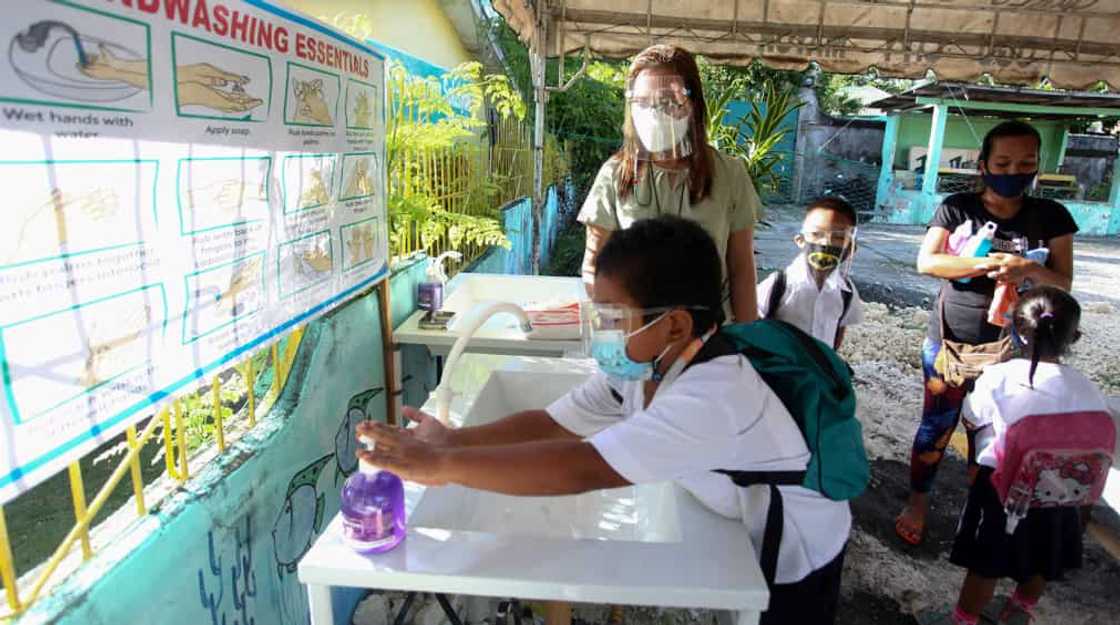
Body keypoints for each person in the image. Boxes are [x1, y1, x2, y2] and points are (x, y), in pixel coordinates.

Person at [360, 216, 850, 625]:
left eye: (614, 318)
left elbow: (580, 468)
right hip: (737, 525)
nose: (602, 333)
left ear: (675, 324)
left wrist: (440, 466)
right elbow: (552, 424)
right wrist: (453, 441)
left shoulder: (713, 395)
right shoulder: (644, 368)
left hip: (794, 554)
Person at [895, 120, 1079, 546]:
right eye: (1003, 163)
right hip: (950, 343)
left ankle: (979, 512)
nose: (1014, 172)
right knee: (936, 428)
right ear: (983, 165)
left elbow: (1063, 282)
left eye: (1026, 163)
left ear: (1038, 165)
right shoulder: (957, 208)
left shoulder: (1052, 217)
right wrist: (987, 264)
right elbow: (928, 262)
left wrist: (1028, 269)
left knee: (996, 433)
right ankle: (917, 503)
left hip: (1016, 348)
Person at [941, 287, 1115, 625]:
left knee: (986, 563)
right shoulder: (1089, 388)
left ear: (1016, 331)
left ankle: (965, 619)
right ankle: (1020, 608)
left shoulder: (998, 377)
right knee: (1042, 557)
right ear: (1074, 337)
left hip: (1002, 487)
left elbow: (973, 417)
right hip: (1062, 493)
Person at [578, 44, 762, 322]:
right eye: (643, 102)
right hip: (638, 333)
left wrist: (746, 338)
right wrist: (618, 326)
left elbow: (741, 270)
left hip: (710, 332)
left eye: (668, 101)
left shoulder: (730, 174)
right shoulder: (615, 174)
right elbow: (594, 265)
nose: (655, 113)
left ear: (692, 103)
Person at [756, 196, 864, 349]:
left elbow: (838, 332)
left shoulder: (846, 293)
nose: (826, 243)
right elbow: (753, 323)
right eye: (816, 234)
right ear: (800, 240)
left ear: (852, 247)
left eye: (839, 237)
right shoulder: (779, 285)